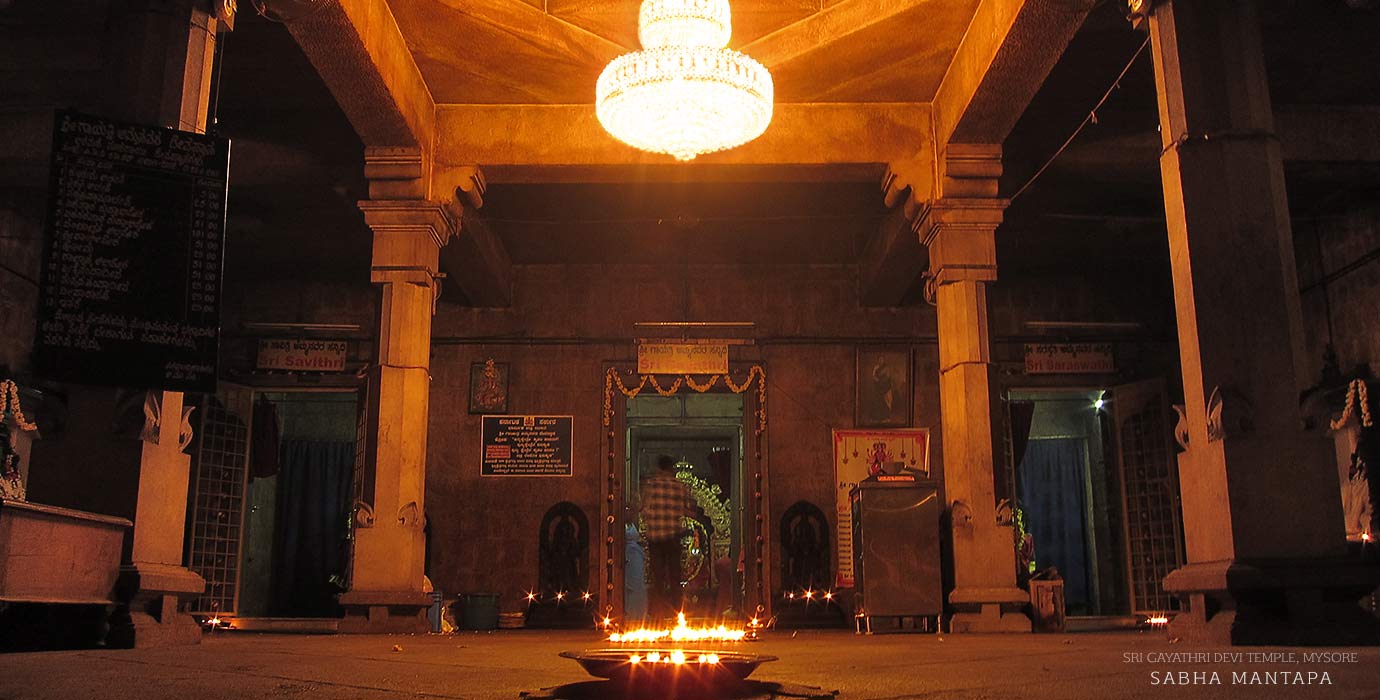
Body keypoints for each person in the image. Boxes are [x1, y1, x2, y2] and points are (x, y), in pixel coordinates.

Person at [640, 455, 695, 620]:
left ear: (659, 468)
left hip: (655, 538)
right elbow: (690, 509)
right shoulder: (679, 486)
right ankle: (677, 614)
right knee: (674, 577)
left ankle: (657, 614)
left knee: (658, 578)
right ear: (671, 468)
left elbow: (644, 509)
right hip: (673, 537)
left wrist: (651, 518)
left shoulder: (651, 485)